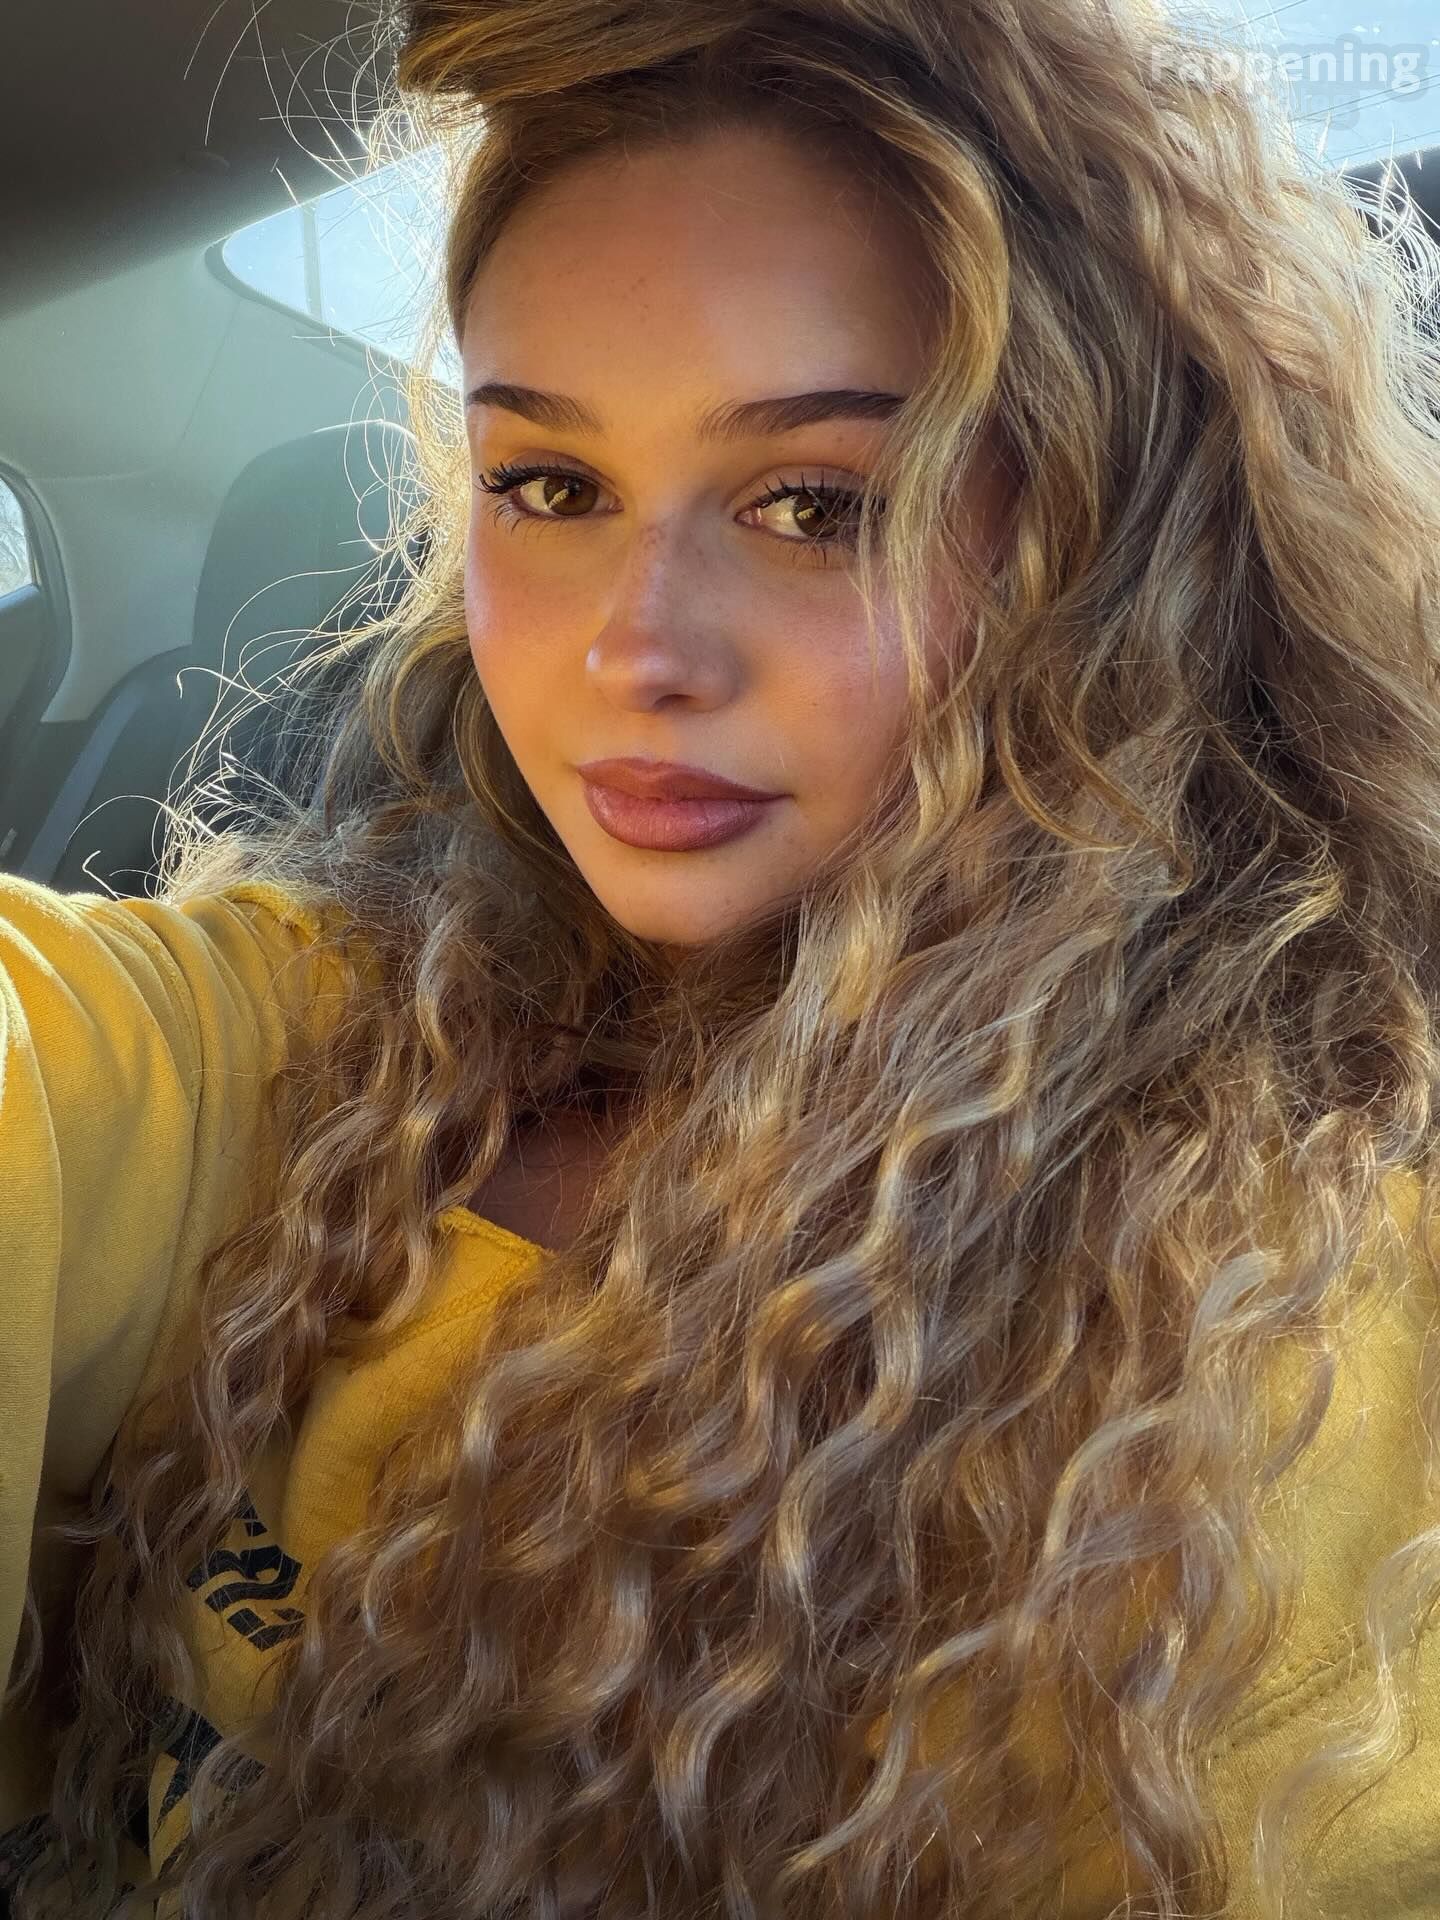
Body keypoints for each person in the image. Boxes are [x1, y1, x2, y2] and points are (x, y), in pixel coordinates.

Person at [5, 0, 1440, 1913]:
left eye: (814, 504)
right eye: (549, 485)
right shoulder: (310, 1042)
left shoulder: (1293, 1341)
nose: (635, 650)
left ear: (1114, 554)